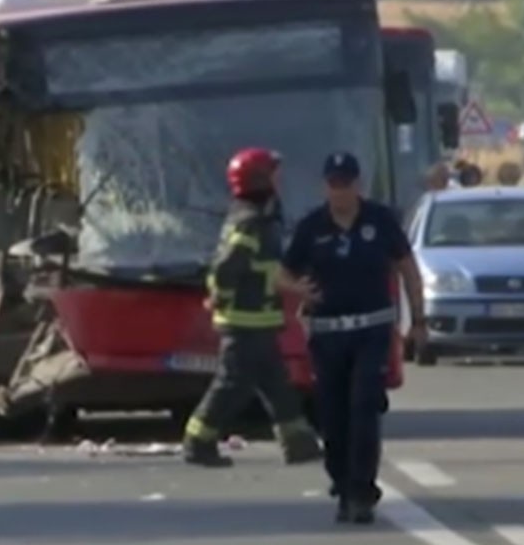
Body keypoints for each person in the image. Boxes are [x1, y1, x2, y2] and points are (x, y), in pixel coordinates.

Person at [280, 152, 427, 525]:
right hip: (328, 336)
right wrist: (299, 289)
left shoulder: (380, 220)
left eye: (346, 184)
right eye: (334, 184)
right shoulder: (312, 227)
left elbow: (408, 270)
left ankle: (362, 491)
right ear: (325, 186)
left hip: (372, 331)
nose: (340, 191)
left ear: (357, 185)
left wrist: (419, 320)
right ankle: (342, 484)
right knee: (332, 416)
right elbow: (280, 274)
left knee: (363, 408)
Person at [182, 148, 323, 469]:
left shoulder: (258, 216)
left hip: (259, 318)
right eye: (274, 173)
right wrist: (222, 295)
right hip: (244, 320)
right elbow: (228, 266)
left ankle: (298, 442)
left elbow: (263, 266)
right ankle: (198, 442)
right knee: (231, 384)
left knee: (276, 382)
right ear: (260, 179)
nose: (280, 178)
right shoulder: (252, 221)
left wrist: (290, 285)